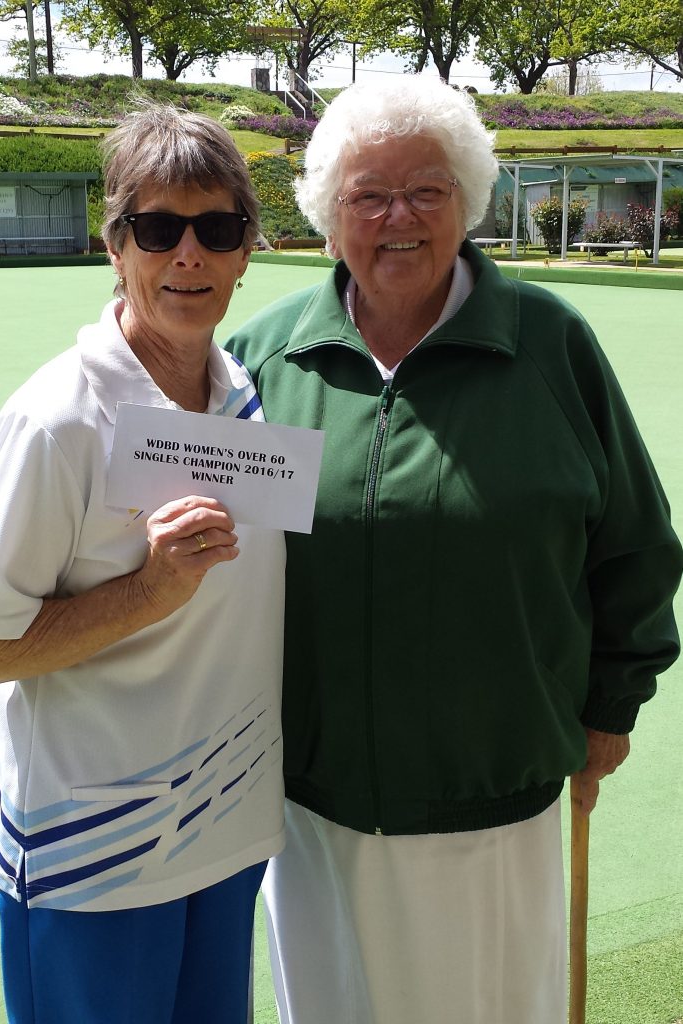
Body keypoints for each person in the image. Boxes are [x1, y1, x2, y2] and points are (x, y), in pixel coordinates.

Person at [227, 77, 682, 1024]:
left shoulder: (552, 346)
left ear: (467, 200)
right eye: (368, 193)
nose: (399, 217)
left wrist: (611, 704)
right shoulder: (263, 361)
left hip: (495, 796)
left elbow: (635, 545)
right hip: (312, 803)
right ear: (327, 212)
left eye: (428, 190)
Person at [0, 102, 285, 1024]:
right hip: (90, 855)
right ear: (115, 244)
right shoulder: (55, 421)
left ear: (249, 249)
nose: (188, 255)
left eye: (217, 228)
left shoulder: (244, 392)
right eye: (158, 228)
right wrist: (151, 590)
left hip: (225, 831)